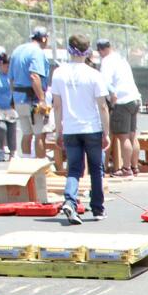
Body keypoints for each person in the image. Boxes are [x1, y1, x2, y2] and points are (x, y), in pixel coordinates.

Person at [48, 33, 110, 224]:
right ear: (88, 51)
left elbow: (57, 106)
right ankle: (98, 208)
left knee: (74, 168)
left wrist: (58, 130)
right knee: (96, 168)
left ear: (69, 50)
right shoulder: (94, 74)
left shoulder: (59, 73)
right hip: (91, 127)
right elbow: (102, 106)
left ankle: (70, 201)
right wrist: (106, 132)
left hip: (71, 128)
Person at [96, 38, 142, 177]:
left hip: (122, 101)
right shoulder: (121, 59)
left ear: (101, 50)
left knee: (124, 137)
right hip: (135, 98)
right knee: (133, 135)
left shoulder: (107, 61)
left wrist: (112, 95)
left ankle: (126, 169)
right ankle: (134, 167)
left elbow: (105, 82)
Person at [9, 27, 52, 157]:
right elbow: (34, 76)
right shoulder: (37, 52)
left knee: (26, 134)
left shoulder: (17, 51)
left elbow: (11, 79)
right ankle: (40, 169)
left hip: (18, 98)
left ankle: (27, 163)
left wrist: (13, 98)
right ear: (44, 38)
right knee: (40, 135)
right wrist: (42, 99)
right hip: (32, 99)